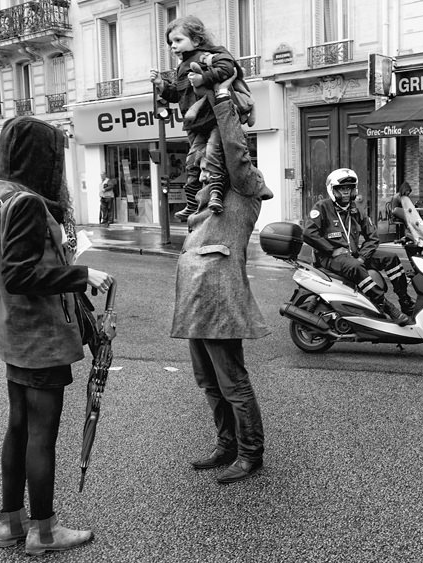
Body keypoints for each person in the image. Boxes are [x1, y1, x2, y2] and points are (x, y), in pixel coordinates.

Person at [0, 116, 113, 555]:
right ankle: (45, 531)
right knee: (41, 434)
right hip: (40, 336)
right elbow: (19, 274)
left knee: (18, 426)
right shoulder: (30, 203)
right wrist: (81, 273)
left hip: (12, 330)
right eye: (55, 155)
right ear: (40, 156)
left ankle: (10, 523)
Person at [170, 77, 271, 484]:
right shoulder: (205, 198)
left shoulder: (245, 187)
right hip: (195, 301)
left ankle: (251, 453)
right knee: (208, 382)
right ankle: (225, 444)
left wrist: (223, 97)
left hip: (221, 300)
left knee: (232, 381)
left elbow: (230, 147)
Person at [150, 16, 251, 220]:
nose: (173, 46)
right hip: (194, 123)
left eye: (178, 40)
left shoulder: (208, 55)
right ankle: (192, 202)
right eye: (171, 43)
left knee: (213, 155)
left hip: (213, 118)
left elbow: (228, 68)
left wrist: (203, 77)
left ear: (196, 40)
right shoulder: (181, 67)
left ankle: (216, 195)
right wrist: (162, 85)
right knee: (192, 162)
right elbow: (180, 95)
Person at [303, 168, 413, 325]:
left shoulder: (356, 209)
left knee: (391, 258)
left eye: (349, 188)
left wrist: (363, 256)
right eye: (341, 188)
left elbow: (373, 237)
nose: (346, 192)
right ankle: (387, 307)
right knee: (355, 267)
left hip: (354, 255)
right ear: (332, 190)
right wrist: (332, 250)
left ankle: (405, 301)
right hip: (329, 258)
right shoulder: (322, 207)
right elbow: (308, 233)